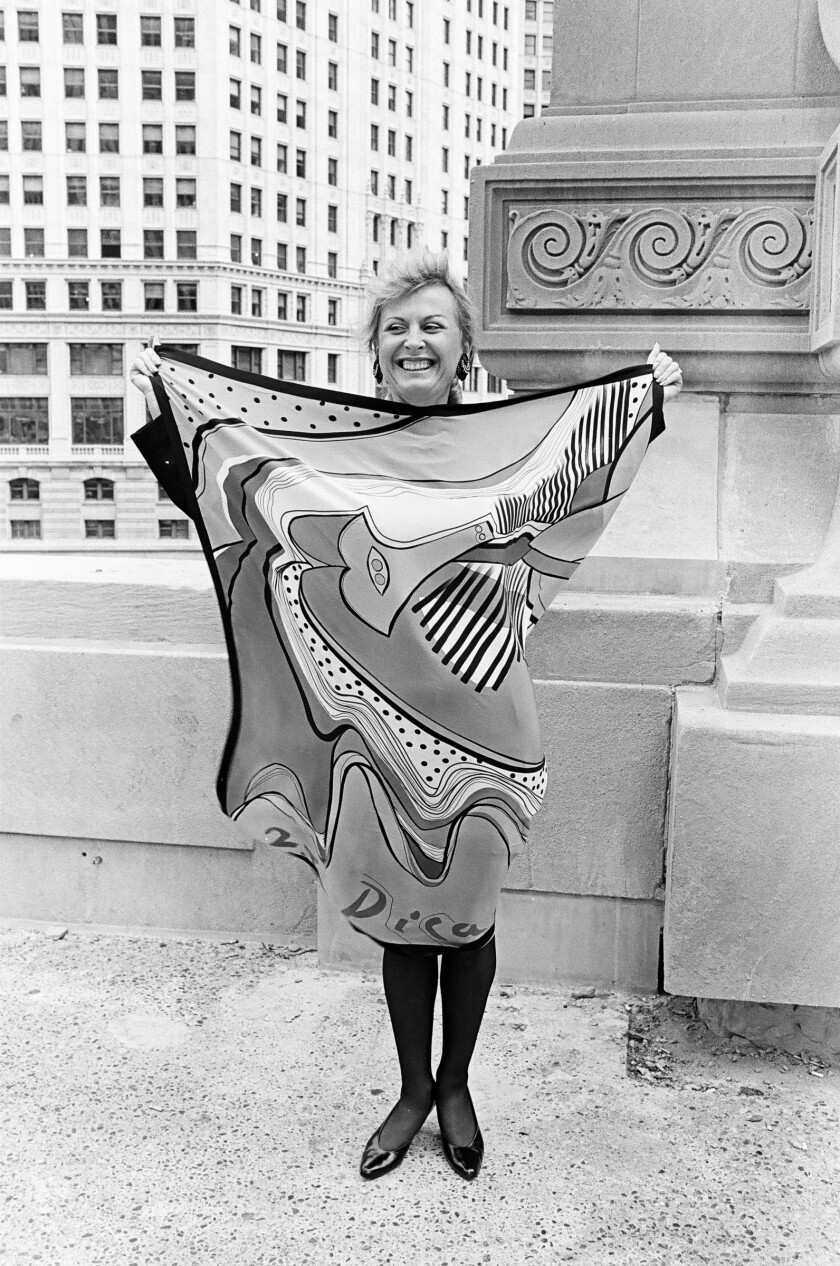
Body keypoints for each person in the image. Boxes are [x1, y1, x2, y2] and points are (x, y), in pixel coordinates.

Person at [129, 249, 683, 1183]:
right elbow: (231, 494)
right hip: (366, 738)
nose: (413, 339)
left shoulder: (509, 445)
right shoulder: (333, 453)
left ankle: (457, 1083)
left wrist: (645, 401)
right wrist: (162, 406)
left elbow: (586, 475)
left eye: (432, 325)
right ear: (376, 354)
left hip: (490, 730)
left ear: (462, 348)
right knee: (398, 921)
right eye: (395, 329)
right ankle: (411, 1088)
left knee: (467, 916)